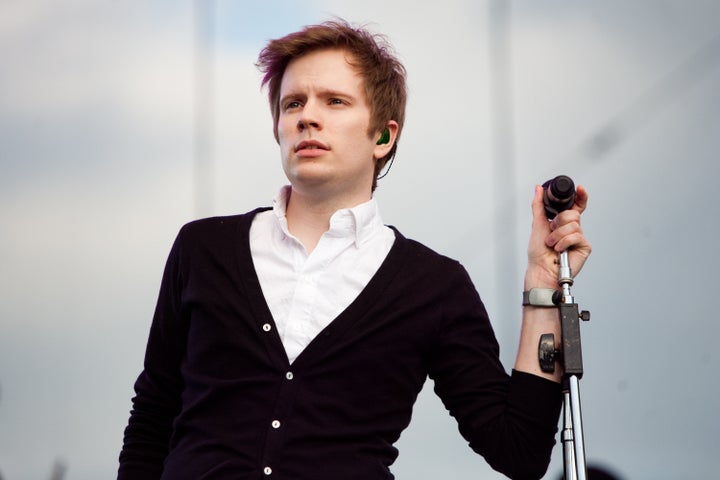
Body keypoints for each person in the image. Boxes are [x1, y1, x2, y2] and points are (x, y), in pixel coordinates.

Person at [118, 19, 591, 480]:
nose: (307, 115)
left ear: (383, 136)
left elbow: (519, 451)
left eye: (335, 101)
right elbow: (153, 416)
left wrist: (543, 289)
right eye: (292, 104)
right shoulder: (204, 249)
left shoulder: (433, 286)